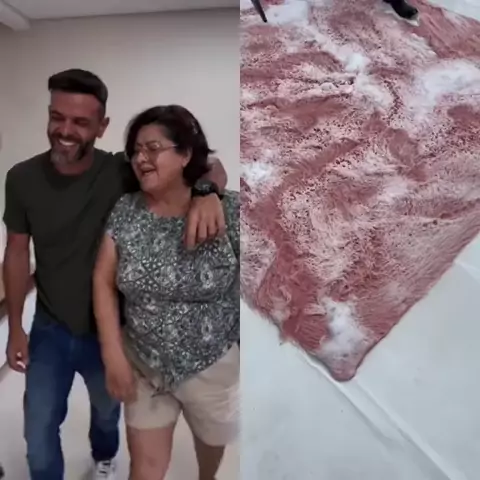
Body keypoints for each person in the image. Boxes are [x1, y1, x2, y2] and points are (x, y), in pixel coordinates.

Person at [3, 69, 228, 480]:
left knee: (107, 413)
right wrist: (15, 326)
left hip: (111, 330)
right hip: (50, 327)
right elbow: (16, 252)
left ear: (102, 127)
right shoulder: (21, 179)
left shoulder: (121, 171)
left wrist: (207, 193)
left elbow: (209, 165)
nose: (65, 130)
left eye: (80, 122)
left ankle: (104, 456)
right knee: (37, 426)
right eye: (57, 117)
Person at [93, 105, 239, 480]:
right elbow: (103, 280)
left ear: (186, 154)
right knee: (145, 469)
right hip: (143, 364)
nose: (141, 158)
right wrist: (113, 353)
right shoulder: (126, 210)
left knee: (210, 448)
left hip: (211, 367)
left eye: (153, 148)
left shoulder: (228, 211)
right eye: (135, 150)